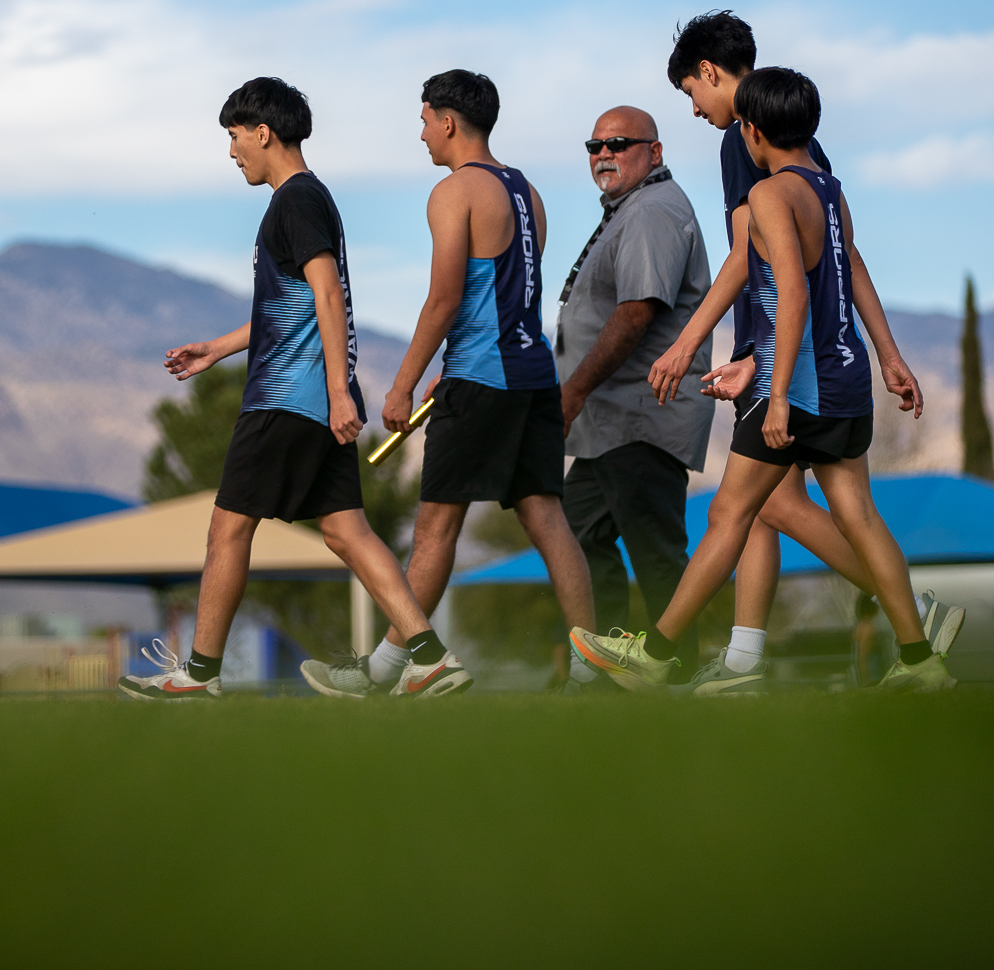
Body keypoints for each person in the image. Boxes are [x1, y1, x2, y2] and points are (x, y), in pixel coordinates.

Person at [572, 67, 956, 694]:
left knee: (729, 514)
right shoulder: (831, 191)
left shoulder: (771, 196)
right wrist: (889, 356)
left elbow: (794, 292)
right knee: (855, 512)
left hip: (797, 384)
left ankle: (657, 653)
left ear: (751, 131)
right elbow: (838, 268)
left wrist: (775, 394)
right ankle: (919, 660)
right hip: (846, 375)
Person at [120, 77, 471, 701]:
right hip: (311, 397)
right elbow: (289, 308)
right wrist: (218, 349)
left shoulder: (296, 200)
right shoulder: (301, 200)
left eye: (234, 137)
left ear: (264, 133)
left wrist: (339, 391)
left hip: (288, 399)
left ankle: (199, 677)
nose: (232, 152)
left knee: (227, 530)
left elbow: (328, 292)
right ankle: (431, 657)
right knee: (346, 532)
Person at [299, 70, 590, 699]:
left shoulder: (453, 192)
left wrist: (402, 386)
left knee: (435, 530)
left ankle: (384, 669)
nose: (423, 133)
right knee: (548, 519)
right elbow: (508, 296)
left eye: (425, 119)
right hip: (534, 376)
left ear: (449, 120)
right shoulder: (527, 192)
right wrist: (450, 361)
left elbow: (445, 297)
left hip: (482, 379)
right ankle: (592, 665)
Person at [550, 106, 715, 689]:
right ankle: (603, 668)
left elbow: (637, 311)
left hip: (643, 415)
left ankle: (681, 673)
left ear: (656, 151)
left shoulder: (652, 211)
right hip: (606, 423)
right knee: (575, 536)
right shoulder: (630, 210)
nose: (603, 154)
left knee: (656, 553)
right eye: (593, 144)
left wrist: (572, 389)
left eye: (618, 143)